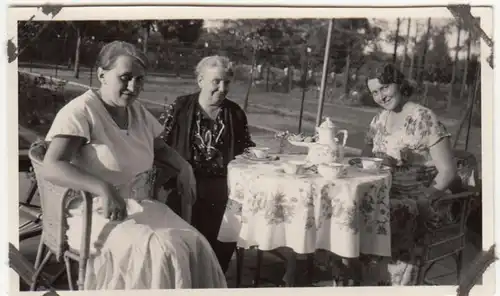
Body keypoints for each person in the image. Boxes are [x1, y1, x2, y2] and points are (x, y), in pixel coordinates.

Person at [41, 41, 227, 289]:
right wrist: (103, 188)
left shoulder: (135, 110)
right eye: (125, 78)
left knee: (195, 243)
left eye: (139, 80)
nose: (133, 87)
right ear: (102, 75)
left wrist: (183, 166)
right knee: (160, 250)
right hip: (95, 211)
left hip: (140, 204)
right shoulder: (81, 111)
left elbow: (160, 148)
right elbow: (52, 165)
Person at [360, 63, 457, 285]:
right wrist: (380, 161)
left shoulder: (423, 117)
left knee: (386, 213)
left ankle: (394, 282)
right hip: (385, 191)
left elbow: (448, 171)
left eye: (384, 88)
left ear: (399, 84)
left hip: (420, 195)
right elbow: (365, 160)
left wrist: (424, 199)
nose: (381, 96)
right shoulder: (379, 120)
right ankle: (361, 278)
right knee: (353, 208)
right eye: (375, 92)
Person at [158, 55, 256, 273]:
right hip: (182, 182)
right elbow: (159, 145)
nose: (222, 89)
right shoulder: (180, 107)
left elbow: (246, 151)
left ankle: (214, 275)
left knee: (228, 224)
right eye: (216, 82)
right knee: (181, 240)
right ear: (200, 80)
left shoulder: (235, 113)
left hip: (223, 186)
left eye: (227, 82)